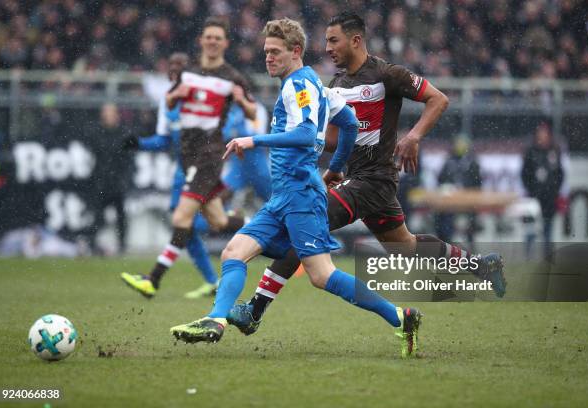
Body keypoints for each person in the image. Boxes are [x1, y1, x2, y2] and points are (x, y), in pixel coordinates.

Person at [227, 12, 506, 337]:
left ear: (356, 40)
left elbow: (438, 99)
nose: (328, 47)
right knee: (406, 246)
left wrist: (413, 136)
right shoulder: (337, 85)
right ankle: (481, 266)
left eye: (334, 40)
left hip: (375, 179)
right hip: (361, 180)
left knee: (301, 226)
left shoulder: (386, 74)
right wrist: (331, 165)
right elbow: (332, 137)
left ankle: (254, 309)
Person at [170, 17, 423, 358]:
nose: (268, 58)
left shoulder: (299, 86)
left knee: (321, 275)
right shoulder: (316, 85)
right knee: (234, 251)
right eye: (265, 52)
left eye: (275, 52)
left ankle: (399, 316)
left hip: (302, 195)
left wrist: (254, 139)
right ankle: (215, 320)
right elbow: (347, 122)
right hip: (283, 197)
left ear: (295, 51)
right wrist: (335, 167)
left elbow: (305, 134)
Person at [120, 17, 255, 298]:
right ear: (201, 40)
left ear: (225, 43)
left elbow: (253, 112)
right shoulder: (188, 72)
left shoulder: (232, 77)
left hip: (209, 156)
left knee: (181, 216)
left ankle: (153, 279)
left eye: (218, 37)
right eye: (209, 36)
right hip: (187, 157)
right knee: (218, 221)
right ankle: (263, 224)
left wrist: (242, 102)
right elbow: (169, 102)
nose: (213, 41)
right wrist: (175, 95)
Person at [121, 53, 218, 299]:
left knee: (184, 222)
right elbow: (164, 140)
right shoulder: (169, 103)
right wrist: (139, 143)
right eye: (171, 65)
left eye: (181, 66)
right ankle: (211, 280)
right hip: (181, 170)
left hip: (199, 168)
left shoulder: (199, 98)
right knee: (187, 228)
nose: (174, 69)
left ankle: (153, 279)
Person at [90, 103, 132, 255]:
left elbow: (129, 159)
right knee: (97, 215)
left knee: (120, 216)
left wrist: (125, 180)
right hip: (102, 181)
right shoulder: (97, 132)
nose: (108, 116)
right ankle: (92, 243)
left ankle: (122, 245)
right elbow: (94, 155)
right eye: (105, 113)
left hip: (118, 181)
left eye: (110, 113)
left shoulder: (125, 133)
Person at [521, 122, 564, 261]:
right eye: (540, 133)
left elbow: (560, 174)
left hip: (549, 198)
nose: (543, 136)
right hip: (534, 197)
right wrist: (532, 189)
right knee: (530, 229)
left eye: (545, 133)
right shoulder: (531, 151)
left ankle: (548, 258)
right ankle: (527, 257)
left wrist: (554, 189)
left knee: (548, 229)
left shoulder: (554, 151)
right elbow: (524, 174)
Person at [435, 135, 482, 250]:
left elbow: (477, 183)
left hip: (467, 201)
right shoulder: (449, 161)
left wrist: (466, 191)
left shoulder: (472, 162)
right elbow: (441, 179)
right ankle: (446, 244)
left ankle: (470, 245)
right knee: (442, 217)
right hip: (450, 201)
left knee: (470, 218)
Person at [221, 101, 272, 204]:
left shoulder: (257, 108)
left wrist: (236, 134)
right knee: (223, 194)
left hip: (256, 161)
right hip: (238, 161)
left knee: (271, 197)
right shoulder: (229, 109)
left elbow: (257, 135)